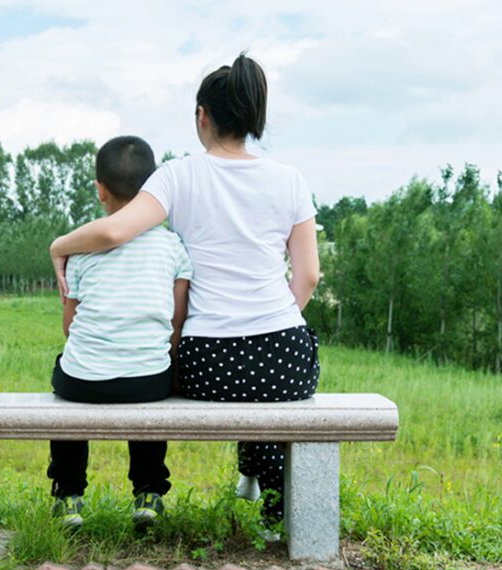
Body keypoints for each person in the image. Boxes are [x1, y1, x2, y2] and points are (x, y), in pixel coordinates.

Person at [49, 54, 321, 538]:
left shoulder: (177, 175)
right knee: (265, 388)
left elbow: (114, 233)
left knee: (239, 381)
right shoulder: (291, 180)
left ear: (202, 116)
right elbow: (309, 277)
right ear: (254, 116)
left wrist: (59, 247)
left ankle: (252, 481)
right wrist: (267, 320)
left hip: (208, 361)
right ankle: (274, 507)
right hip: (283, 355)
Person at [48, 135, 192, 529]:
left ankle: (68, 495)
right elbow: (176, 324)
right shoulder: (172, 247)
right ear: (151, 190)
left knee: (65, 381)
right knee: (150, 383)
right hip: (148, 381)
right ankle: (148, 494)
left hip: (83, 382)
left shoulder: (80, 249)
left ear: (100, 190)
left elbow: (69, 326)